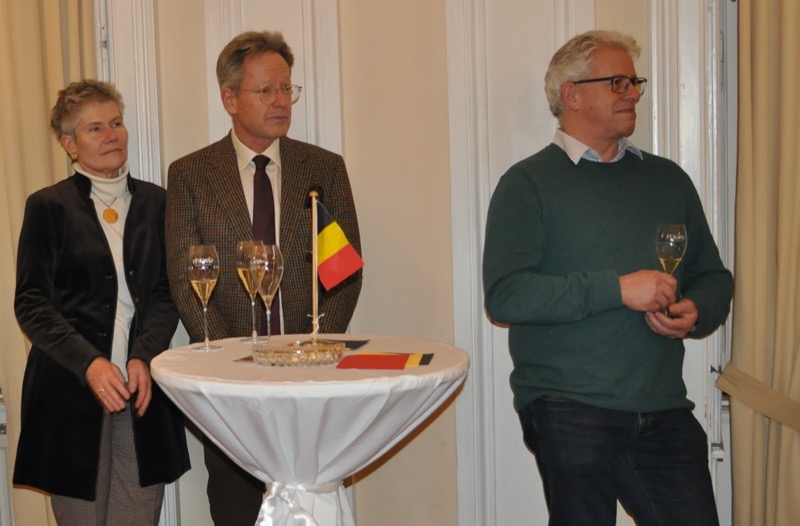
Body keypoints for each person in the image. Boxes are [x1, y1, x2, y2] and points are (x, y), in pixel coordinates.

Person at [482, 30, 734, 525]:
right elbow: (506, 295)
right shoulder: (526, 184)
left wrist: (697, 310)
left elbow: (713, 277)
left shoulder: (668, 180)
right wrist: (618, 288)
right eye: (617, 82)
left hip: (663, 407)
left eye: (634, 82)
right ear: (571, 95)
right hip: (568, 407)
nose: (633, 93)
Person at [165, 30, 362, 525]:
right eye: (266, 90)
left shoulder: (324, 168)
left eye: (287, 88)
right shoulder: (191, 174)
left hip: (311, 384)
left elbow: (344, 275)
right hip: (231, 394)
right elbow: (186, 282)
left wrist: (315, 352)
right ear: (230, 98)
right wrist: (232, 362)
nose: (281, 101)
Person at [13, 80, 190, 526]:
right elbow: (31, 304)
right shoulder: (47, 207)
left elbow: (166, 293)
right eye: (95, 128)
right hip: (69, 396)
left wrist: (143, 354)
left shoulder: (158, 203)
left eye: (116, 123)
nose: (112, 135)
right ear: (69, 144)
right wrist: (90, 363)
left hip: (142, 394)